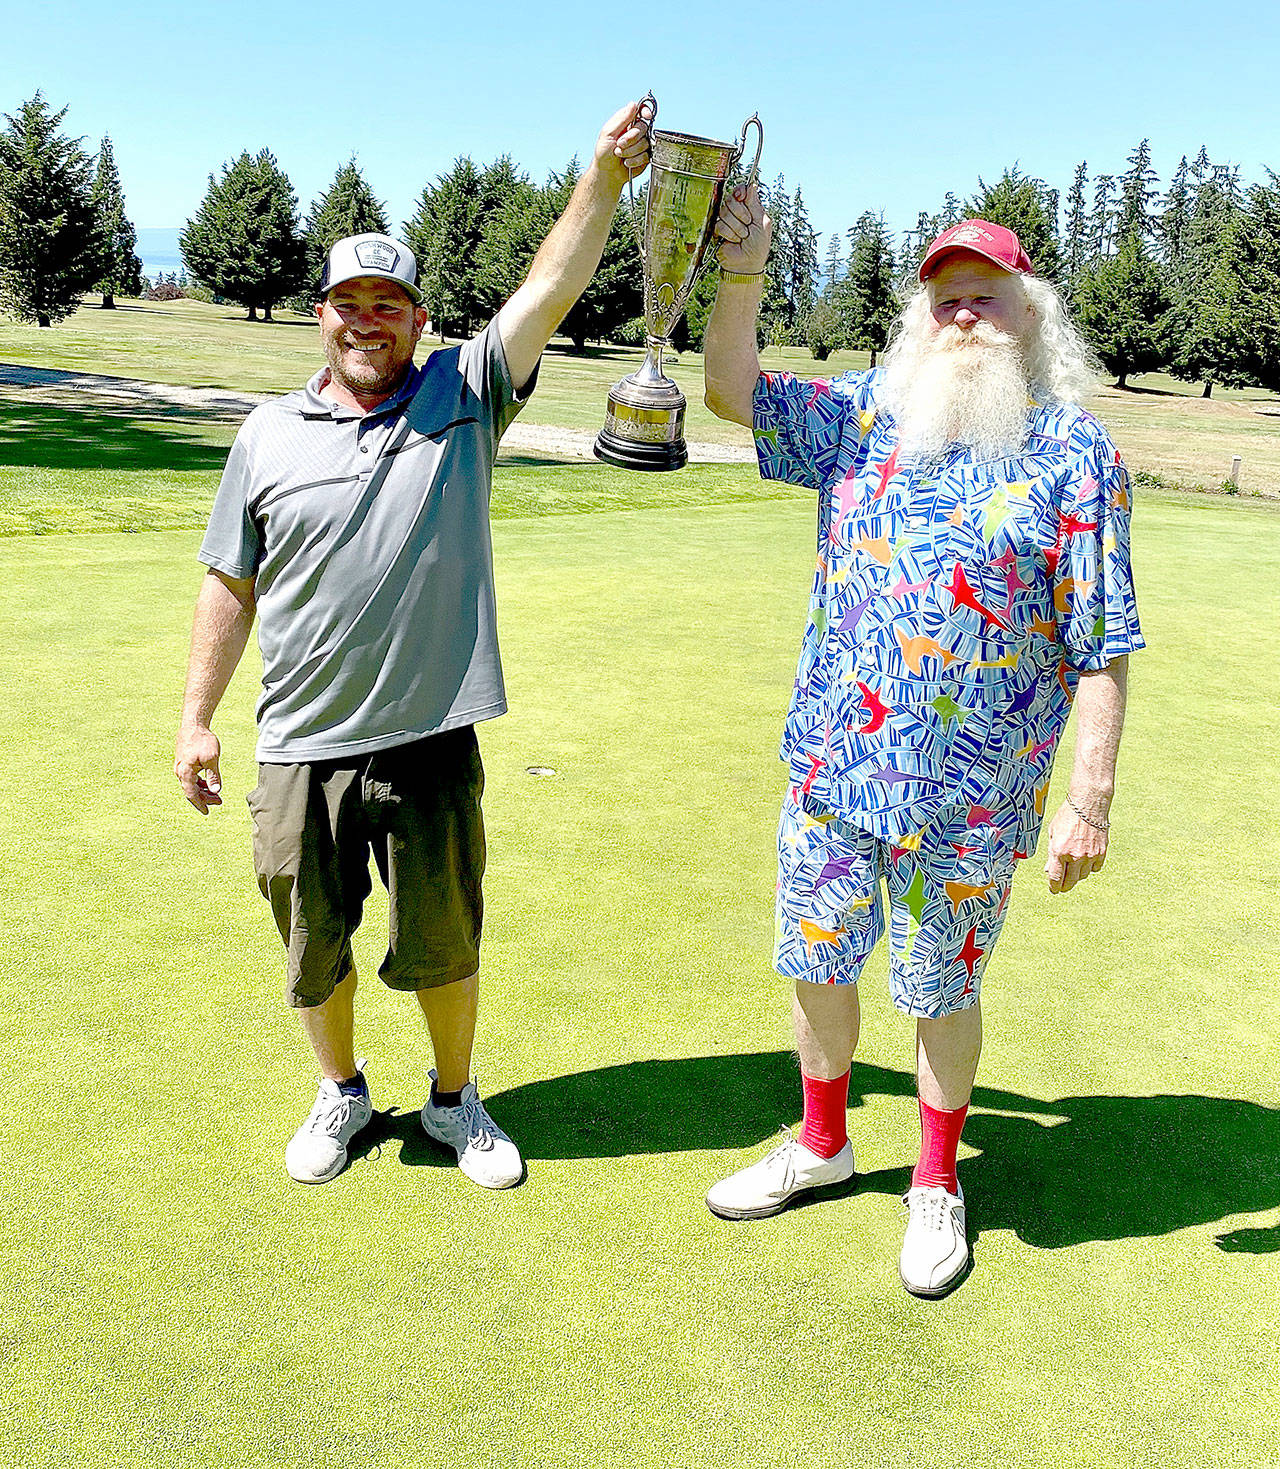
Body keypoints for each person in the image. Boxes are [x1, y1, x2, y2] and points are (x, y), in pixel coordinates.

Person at [174, 105, 650, 1189]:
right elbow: (228, 581)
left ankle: (451, 1100)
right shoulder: (265, 434)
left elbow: (547, 290)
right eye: (350, 304)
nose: (367, 321)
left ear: (418, 318)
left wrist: (601, 183)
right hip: (298, 741)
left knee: (444, 940)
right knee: (313, 946)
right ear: (322, 315)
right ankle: (341, 1093)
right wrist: (196, 716)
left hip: (431, 734)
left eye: (388, 304)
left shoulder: (463, 397)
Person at [701, 205, 1144, 1297]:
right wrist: (743, 269)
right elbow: (726, 389)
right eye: (942, 294)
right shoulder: (862, 412)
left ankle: (935, 1177)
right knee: (813, 963)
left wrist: (1085, 802)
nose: (959, 313)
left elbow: (1101, 642)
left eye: (981, 294)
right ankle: (821, 1141)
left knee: (940, 986)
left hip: (971, 801)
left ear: (1026, 312)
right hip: (832, 771)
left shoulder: (1074, 453)